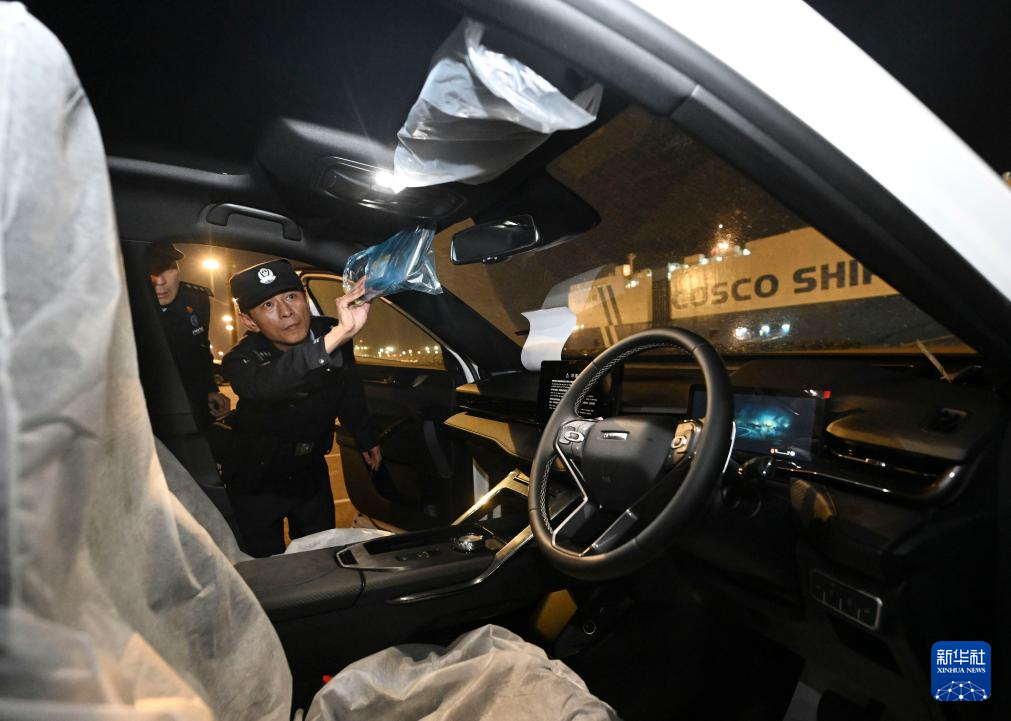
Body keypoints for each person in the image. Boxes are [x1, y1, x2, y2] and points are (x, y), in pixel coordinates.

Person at [221, 259, 382, 557]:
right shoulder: (241, 358)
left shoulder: (329, 331)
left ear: (305, 299)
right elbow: (266, 384)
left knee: (321, 556)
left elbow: (348, 388)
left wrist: (365, 436)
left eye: (291, 296)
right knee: (263, 565)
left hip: (310, 470)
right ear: (250, 321)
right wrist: (333, 340)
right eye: (268, 305)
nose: (286, 312)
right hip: (256, 477)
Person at [149, 243, 231, 429]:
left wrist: (210, 390)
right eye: (150, 271)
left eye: (167, 268)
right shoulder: (123, 306)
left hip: (192, 405)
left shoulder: (196, 299)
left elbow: (200, 348)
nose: (160, 281)